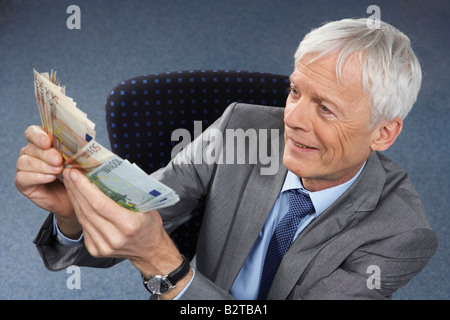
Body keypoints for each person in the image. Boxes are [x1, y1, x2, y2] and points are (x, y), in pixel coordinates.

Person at [15, 18, 437, 300]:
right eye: (295, 91)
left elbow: (152, 252)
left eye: (325, 109)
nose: (292, 119)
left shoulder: (400, 233)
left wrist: (163, 263)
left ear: (384, 133)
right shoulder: (239, 130)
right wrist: (73, 213)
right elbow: (121, 232)